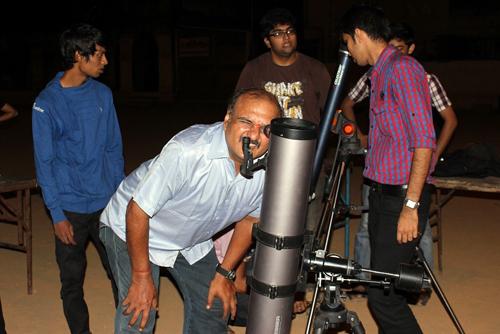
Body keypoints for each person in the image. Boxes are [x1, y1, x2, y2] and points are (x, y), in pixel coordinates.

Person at [99, 88, 282, 334]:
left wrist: (224, 272)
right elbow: (137, 211)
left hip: (190, 238)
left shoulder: (270, 172)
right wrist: (142, 276)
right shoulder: (189, 151)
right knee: (140, 312)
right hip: (131, 226)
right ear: (227, 120)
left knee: (216, 302)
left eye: (266, 128)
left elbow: (249, 220)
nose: (255, 134)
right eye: (246, 121)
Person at [218, 7, 331, 321]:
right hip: (265, 162)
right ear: (267, 40)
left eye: (290, 31)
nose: (286, 38)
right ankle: (258, 281)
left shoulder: (314, 69)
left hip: (308, 164)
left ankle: (297, 291)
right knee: (261, 225)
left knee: (305, 230)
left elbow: (332, 112)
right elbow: (237, 109)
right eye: (278, 33)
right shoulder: (254, 69)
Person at [339, 5, 437, 333]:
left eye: (348, 43)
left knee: (383, 298)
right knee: (383, 285)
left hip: (401, 199)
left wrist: (410, 205)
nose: (348, 52)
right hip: (380, 196)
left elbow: (424, 140)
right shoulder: (377, 73)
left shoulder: (403, 69)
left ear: (361, 36)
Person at [342, 22, 458, 285]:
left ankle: (419, 281)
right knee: (369, 234)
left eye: (399, 48)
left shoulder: (418, 76)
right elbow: (348, 102)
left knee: (418, 231)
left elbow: (438, 127)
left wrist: (433, 151)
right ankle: (368, 280)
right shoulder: (375, 75)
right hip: (382, 177)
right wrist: (360, 136)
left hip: (408, 180)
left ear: (411, 49)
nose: (392, 53)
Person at [32, 23, 123, 334]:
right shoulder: (47, 103)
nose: (105, 61)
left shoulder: (103, 94)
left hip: (105, 205)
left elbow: (113, 148)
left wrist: (119, 198)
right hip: (70, 206)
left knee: (121, 273)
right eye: (98, 55)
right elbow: (44, 163)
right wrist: (56, 214)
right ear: (77, 55)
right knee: (71, 281)